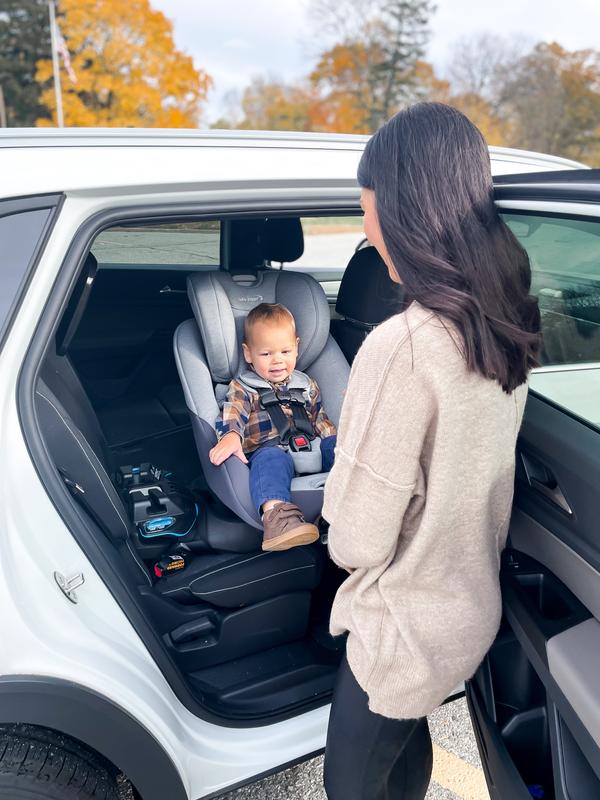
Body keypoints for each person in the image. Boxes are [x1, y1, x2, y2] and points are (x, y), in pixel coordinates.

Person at [322, 102, 541, 800]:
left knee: (351, 784)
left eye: (368, 211)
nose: (367, 230)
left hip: (400, 631)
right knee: (403, 756)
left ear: (401, 213)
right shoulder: (506, 321)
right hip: (469, 607)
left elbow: (355, 540)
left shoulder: (402, 346)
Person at [209, 302, 337, 551]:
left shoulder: (306, 384)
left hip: (310, 448)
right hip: (270, 451)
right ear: (248, 354)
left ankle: (357, 500)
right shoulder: (244, 386)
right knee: (270, 459)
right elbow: (233, 412)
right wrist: (231, 435)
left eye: (286, 352)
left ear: (297, 348)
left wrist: (335, 442)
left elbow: (319, 418)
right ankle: (278, 520)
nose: (277, 361)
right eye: (266, 354)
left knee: (338, 445)